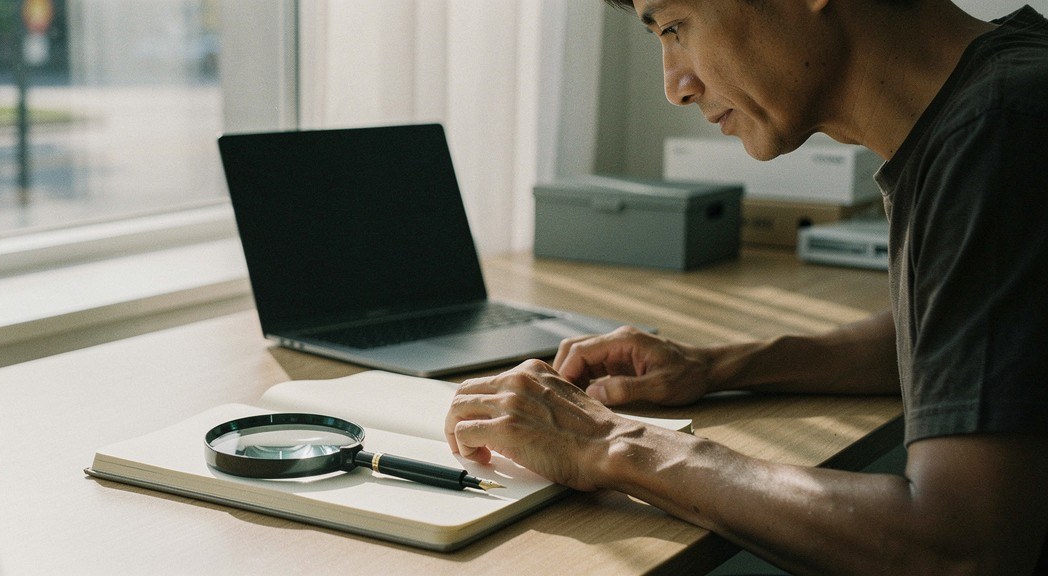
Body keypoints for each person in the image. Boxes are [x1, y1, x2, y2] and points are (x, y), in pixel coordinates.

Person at [443, 0, 1048, 573]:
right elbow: (969, 338)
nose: (675, 85)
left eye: (676, 26)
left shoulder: (998, 131)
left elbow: (960, 546)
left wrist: (612, 443)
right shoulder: (1005, 84)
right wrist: (718, 366)